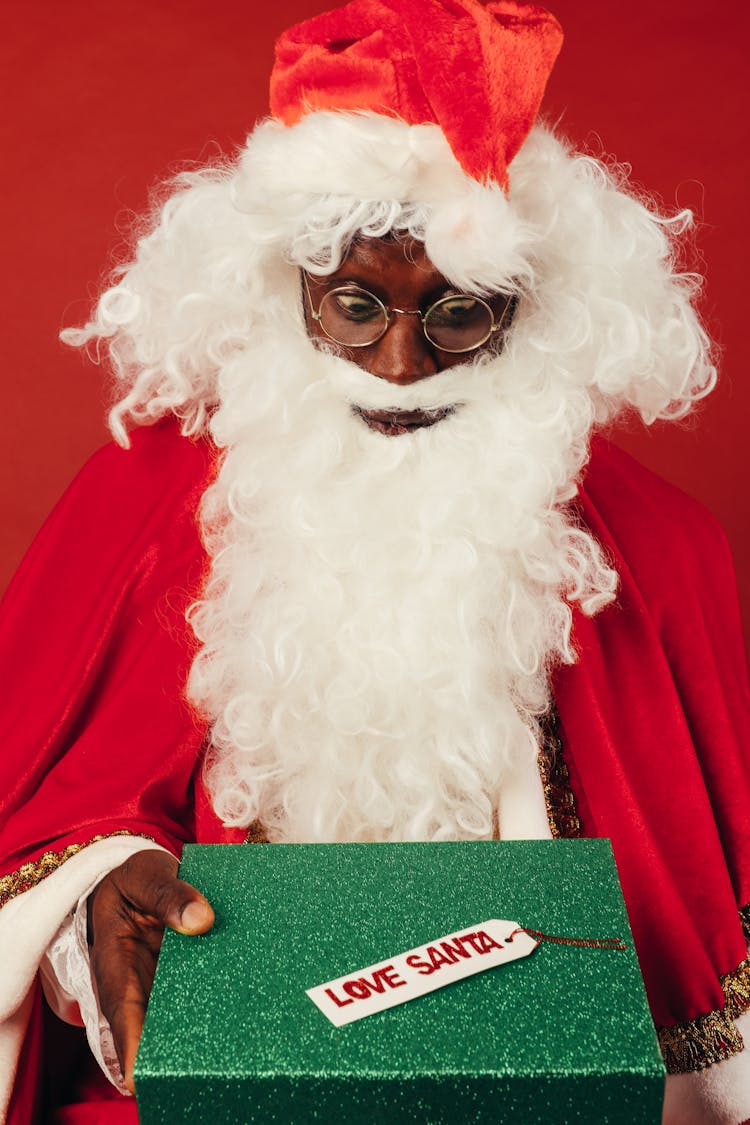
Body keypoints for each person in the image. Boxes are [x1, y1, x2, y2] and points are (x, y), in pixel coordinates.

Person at [1, 0, 748, 1121]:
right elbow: (49, 793)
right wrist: (95, 894)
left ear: (532, 309)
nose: (399, 364)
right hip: (221, 1070)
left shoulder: (662, 551)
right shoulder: (147, 502)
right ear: (283, 287)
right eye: (355, 307)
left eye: (459, 317)